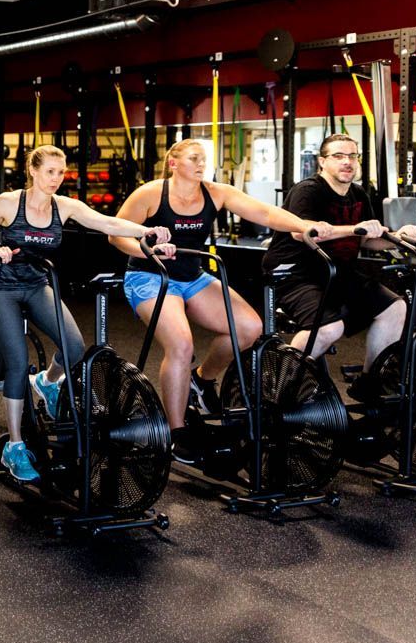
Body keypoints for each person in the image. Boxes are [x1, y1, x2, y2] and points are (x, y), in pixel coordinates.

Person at [111, 138, 334, 463]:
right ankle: (177, 432)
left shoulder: (215, 192)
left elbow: (266, 212)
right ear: (173, 163)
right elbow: (115, 234)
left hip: (192, 277)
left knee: (248, 327)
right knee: (181, 345)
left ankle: (201, 381)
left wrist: (303, 225)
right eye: (193, 158)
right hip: (150, 276)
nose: (201, 164)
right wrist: (147, 249)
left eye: (204, 158)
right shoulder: (150, 194)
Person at [0, 145, 170, 482]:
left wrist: (144, 231)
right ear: (32, 171)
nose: (55, 179)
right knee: (18, 362)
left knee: (75, 347)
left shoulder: (65, 207)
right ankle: (15, 447)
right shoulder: (7, 203)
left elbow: (105, 222)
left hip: (36, 285)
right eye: (49, 171)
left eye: (60, 172)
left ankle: (48, 383)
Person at [262, 133, 416, 379]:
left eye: (352, 156)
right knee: (327, 328)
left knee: (395, 308)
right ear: (322, 162)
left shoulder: (358, 194)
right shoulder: (308, 191)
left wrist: (399, 237)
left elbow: (367, 240)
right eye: (338, 156)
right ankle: (278, 382)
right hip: (296, 274)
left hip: (337, 272)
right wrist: (355, 229)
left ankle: (370, 383)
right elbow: (301, 232)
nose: (347, 162)